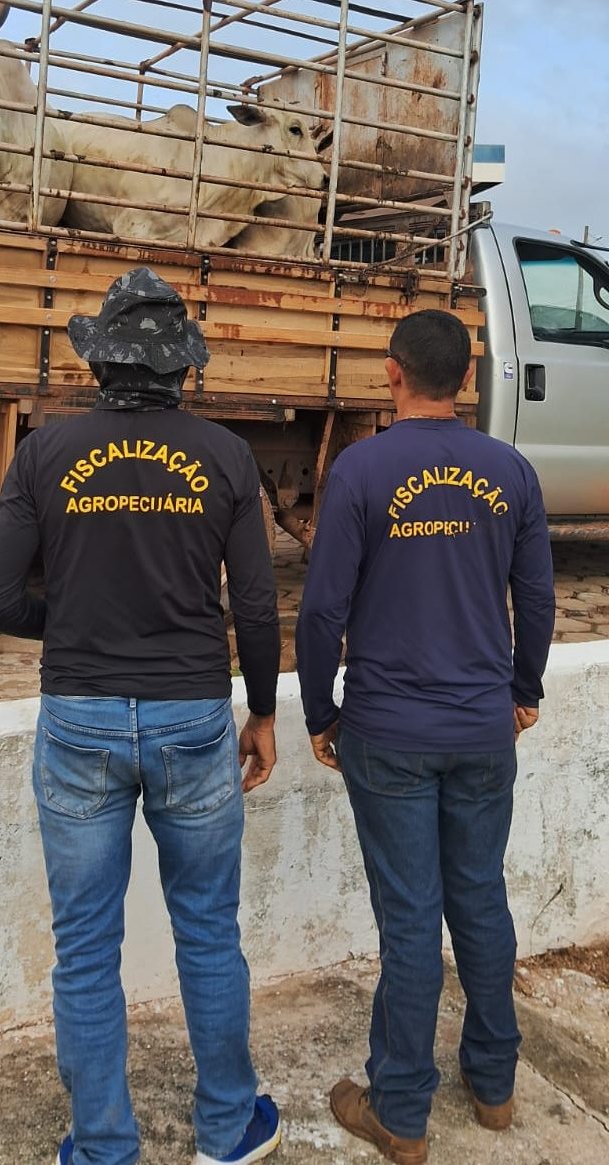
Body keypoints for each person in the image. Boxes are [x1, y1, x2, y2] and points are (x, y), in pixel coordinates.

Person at [0, 268, 282, 1165]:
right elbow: (255, 608)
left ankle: (104, 1147)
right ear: (181, 367)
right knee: (209, 932)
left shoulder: (44, 454)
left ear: (100, 362)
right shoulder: (226, 456)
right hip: (193, 719)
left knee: (84, 948)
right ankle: (228, 1129)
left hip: (79, 721)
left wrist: (69, 626)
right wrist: (263, 712)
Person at [295, 309, 555, 1165]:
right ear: (468, 379)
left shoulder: (361, 470)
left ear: (392, 372)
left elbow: (323, 609)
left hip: (390, 732)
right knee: (479, 896)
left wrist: (320, 712)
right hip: (482, 728)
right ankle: (494, 1085)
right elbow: (538, 598)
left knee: (410, 917)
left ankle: (401, 1112)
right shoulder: (510, 470)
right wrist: (522, 690)